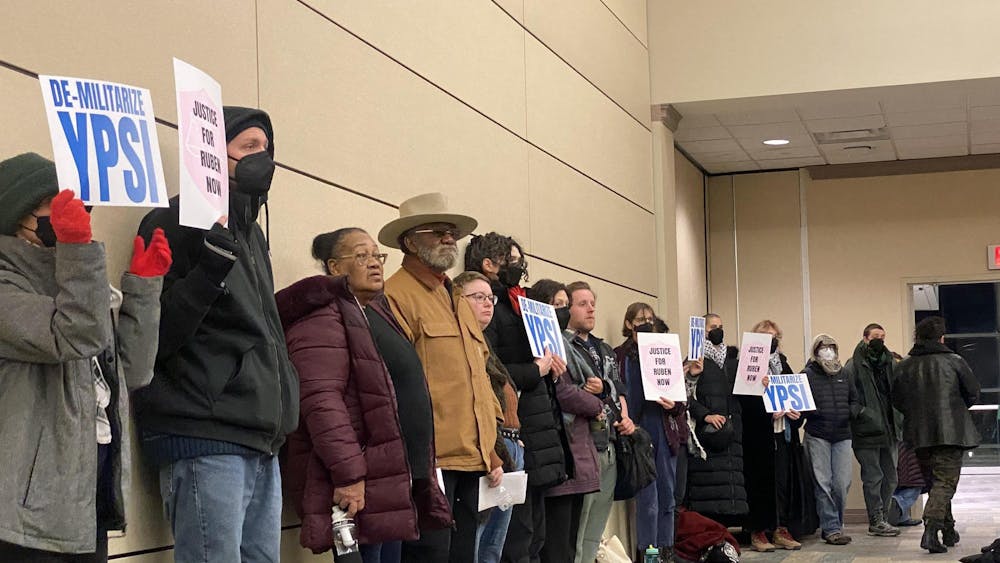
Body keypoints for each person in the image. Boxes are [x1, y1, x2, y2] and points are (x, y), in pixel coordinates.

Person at [134, 107, 299, 563]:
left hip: (260, 438)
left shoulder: (253, 237)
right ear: (210, 154)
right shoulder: (171, 221)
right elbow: (153, 336)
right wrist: (208, 269)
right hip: (206, 434)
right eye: (248, 148)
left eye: (266, 151)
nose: (261, 160)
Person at [0, 153, 169, 562]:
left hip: (85, 498)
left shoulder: (75, 282)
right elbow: (73, 335)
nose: (69, 213)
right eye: (52, 204)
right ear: (19, 212)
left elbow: (134, 371)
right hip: (25, 514)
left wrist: (143, 292)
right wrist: (78, 251)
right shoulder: (10, 284)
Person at [275, 228, 450, 563]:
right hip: (360, 485)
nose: (374, 264)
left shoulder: (375, 312)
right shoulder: (321, 317)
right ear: (334, 267)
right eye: (361, 255)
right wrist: (349, 475)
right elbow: (322, 402)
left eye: (377, 255)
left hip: (389, 479)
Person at [379, 193, 504, 563]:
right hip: (429, 459)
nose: (450, 239)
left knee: (464, 554)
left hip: (472, 457)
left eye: (452, 233)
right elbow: (395, 381)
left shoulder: (457, 299)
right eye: (438, 232)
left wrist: (491, 450)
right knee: (429, 555)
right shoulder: (395, 295)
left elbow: (478, 378)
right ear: (410, 241)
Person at [464, 234, 571, 563]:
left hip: (529, 433)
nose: (520, 267)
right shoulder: (493, 314)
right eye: (512, 260)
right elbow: (496, 372)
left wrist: (549, 365)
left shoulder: (518, 306)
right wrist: (535, 369)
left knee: (529, 533)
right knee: (504, 539)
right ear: (488, 264)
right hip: (508, 433)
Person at [527, 280, 604, 563]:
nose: (560, 311)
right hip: (556, 451)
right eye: (556, 304)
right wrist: (595, 404)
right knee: (555, 546)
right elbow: (564, 392)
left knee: (571, 543)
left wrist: (600, 393)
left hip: (579, 453)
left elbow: (595, 386)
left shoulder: (572, 346)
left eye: (563, 304)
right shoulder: (540, 344)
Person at [561, 281, 636, 563]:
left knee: (597, 525)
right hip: (584, 444)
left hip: (610, 444)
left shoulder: (603, 348)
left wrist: (626, 418)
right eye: (582, 304)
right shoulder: (565, 345)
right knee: (578, 528)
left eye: (593, 303)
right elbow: (574, 392)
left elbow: (618, 388)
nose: (591, 308)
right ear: (566, 309)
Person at [893, 316, 981, 554]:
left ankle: (948, 530)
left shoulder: (904, 366)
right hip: (951, 432)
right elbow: (973, 393)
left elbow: (898, 401)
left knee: (936, 483)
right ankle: (930, 532)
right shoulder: (955, 361)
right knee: (945, 483)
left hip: (919, 435)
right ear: (941, 338)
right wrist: (955, 409)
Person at [451, 271, 521, 563]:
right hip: (488, 451)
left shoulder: (484, 345)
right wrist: (493, 454)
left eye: (490, 298)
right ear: (457, 300)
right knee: (476, 541)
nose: (488, 304)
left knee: (495, 544)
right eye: (478, 297)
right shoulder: (459, 345)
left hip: (511, 445)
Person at [615, 303, 686, 561]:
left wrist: (674, 404)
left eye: (648, 318)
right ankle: (650, 553)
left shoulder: (665, 350)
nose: (644, 323)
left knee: (667, 497)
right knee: (647, 502)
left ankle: (666, 548)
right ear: (628, 324)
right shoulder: (619, 356)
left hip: (663, 429)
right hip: (636, 433)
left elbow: (681, 400)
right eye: (638, 319)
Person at [684, 314, 748, 526]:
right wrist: (705, 415)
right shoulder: (693, 362)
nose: (718, 331)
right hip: (707, 437)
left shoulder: (732, 364)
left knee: (729, 496)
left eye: (721, 326)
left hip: (732, 437)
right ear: (703, 332)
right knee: (708, 497)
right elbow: (684, 397)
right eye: (713, 327)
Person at [842, 323, 902, 537]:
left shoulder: (890, 363)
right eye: (876, 337)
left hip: (889, 429)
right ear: (865, 338)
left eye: (883, 337)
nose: (879, 341)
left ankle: (883, 518)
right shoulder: (852, 366)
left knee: (891, 477)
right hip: (866, 431)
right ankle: (876, 519)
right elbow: (846, 397)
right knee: (873, 476)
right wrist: (862, 412)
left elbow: (899, 391)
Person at [802, 334, 859, 546]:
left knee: (842, 483)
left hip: (843, 434)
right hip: (818, 434)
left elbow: (855, 399)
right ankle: (831, 528)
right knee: (822, 482)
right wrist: (814, 412)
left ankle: (836, 522)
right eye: (823, 347)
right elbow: (801, 404)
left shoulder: (844, 373)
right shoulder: (807, 375)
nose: (827, 351)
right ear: (815, 351)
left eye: (831, 347)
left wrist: (850, 413)